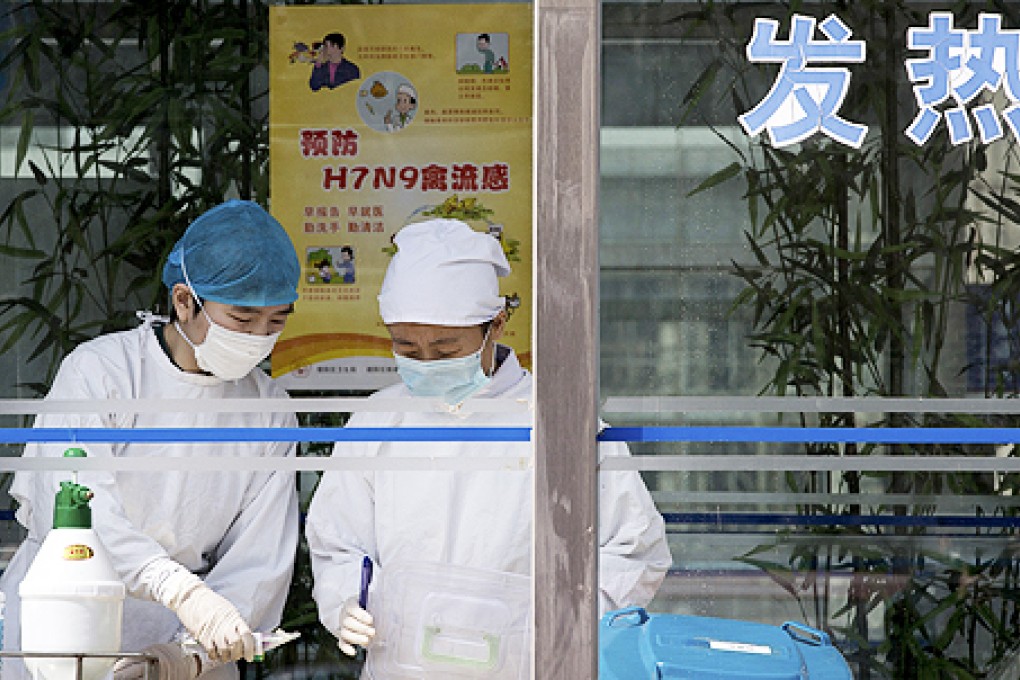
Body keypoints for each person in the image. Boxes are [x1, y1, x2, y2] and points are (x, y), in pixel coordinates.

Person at [305, 218, 671, 664]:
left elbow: (635, 549)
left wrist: (559, 625)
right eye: (406, 348)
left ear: (496, 325)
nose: (426, 363)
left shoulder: (560, 423)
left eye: (445, 350)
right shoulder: (377, 421)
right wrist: (347, 601)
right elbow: (339, 543)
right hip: (400, 668)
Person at [0, 200, 302, 680]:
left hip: (189, 638)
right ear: (185, 301)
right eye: (243, 320)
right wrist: (181, 592)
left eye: (276, 321)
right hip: (69, 613)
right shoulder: (102, 372)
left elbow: (260, 559)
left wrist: (197, 652)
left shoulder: (270, 410)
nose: (259, 337)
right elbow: (78, 507)